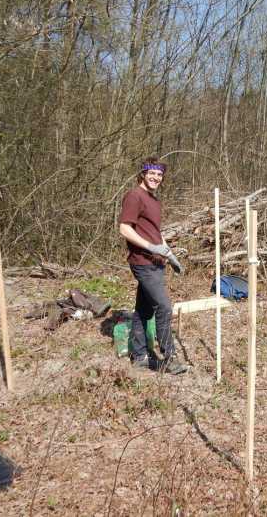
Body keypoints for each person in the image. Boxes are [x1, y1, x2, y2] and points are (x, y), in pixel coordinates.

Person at [118, 157, 188, 375]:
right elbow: (124, 229)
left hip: (156, 262)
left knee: (143, 310)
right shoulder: (134, 196)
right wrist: (150, 247)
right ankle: (169, 359)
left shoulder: (154, 201)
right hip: (143, 262)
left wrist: (169, 254)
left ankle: (139, 356)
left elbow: (156, 234)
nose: (156, 177)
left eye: (159, 175)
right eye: (152, 173)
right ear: (143, 174)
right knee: (164, 307)